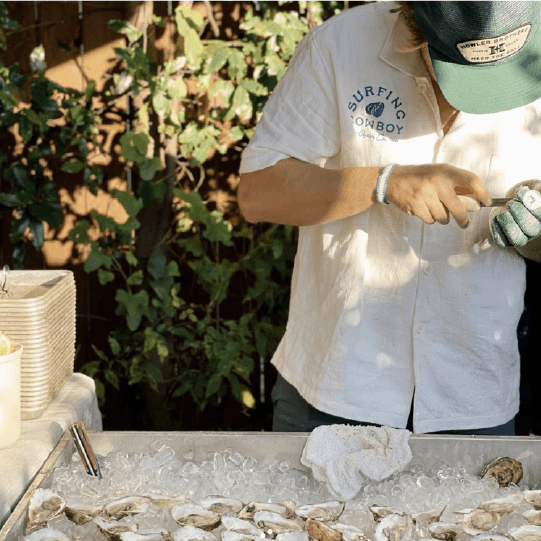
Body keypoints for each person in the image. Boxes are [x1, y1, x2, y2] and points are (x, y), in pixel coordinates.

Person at [237, 0, 541, 435]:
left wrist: (535, 233)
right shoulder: (339, 46)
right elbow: (257, 194)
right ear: (415, 24)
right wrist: (382, 183)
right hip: (334, 387)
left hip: (473, 395)